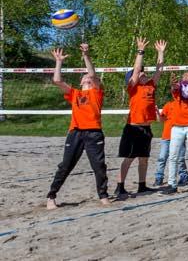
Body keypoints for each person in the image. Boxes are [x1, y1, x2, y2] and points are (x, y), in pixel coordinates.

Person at [46, 44, 110, 209]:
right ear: (80, 81)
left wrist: (86, 55)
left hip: (94, 133)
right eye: (84, 77)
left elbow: (93, 74)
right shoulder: (75, 93)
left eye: (89, 78)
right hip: (75, 133)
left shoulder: (96, 93)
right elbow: (57, 80)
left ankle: (103, 196)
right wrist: (58, 62)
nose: (87, 78)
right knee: (66, 165)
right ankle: (51, 196)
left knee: (98, 166)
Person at [115, 37, 166, 199]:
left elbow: (159, 70)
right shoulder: (133, 87)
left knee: (143, 159)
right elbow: (136, 69)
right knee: (129, 159)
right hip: (133, 128)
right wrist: (140, 51)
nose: (143, 73)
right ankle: (120, 187)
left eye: (144, 72)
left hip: (146, 128)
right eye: (140, 73)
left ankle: (142, 186)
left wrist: (161, 52)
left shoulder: (150, 85)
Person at [154, 99, 188, 187]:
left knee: (180, 158)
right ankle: (159, 177)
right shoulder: (168, 105)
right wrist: (157, 113)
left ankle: (184, 175)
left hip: (179, 137)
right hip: (167, 137)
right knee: (162, 157)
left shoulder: (185, 105)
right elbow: (161, 120)